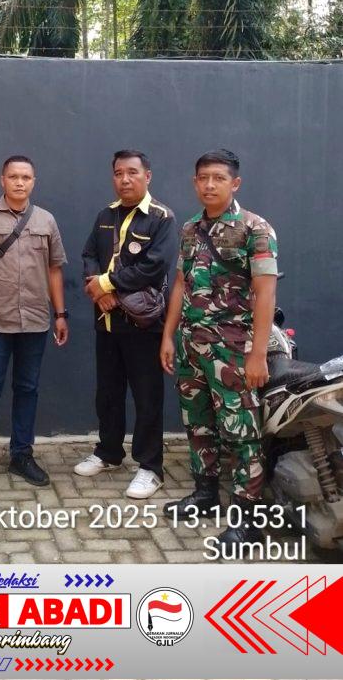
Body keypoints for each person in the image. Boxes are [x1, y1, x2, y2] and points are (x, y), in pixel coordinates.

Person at [160, 149, 277, 547]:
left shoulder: (255, 229)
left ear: (234, 183)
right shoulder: (190, 228)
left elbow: (265, 292)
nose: (210, 185)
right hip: (192, 345)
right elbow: (180, 283)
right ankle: (206, 494)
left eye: (219, 178)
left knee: (241, 431)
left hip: (233, 349)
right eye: (203, 178)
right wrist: (168, 336)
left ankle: (248, 519)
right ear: (195, 182)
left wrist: (257, 354)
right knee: (198, 423)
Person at [0, 155, 69, 497]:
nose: (20, 182)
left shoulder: (46, 220)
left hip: (34, 320)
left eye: (26, 177)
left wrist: (60, 314)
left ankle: (22, 455)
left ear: (33, 181)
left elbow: (54, 268)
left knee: (27, 389)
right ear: (2, 180)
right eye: (13, 176)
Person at [76, 150, 178, 499]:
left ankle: (150, 467)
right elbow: (89, 254)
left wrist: (106, 285)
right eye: (119, 173)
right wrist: (98, 290)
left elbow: (154, 266)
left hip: (143, 325)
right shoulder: (105, 215)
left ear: (147, 176)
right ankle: (108, 452)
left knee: (147, 396)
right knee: (108, 392)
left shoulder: (162, 218)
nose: (125, 179)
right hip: (106, 322)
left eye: (132, 172)